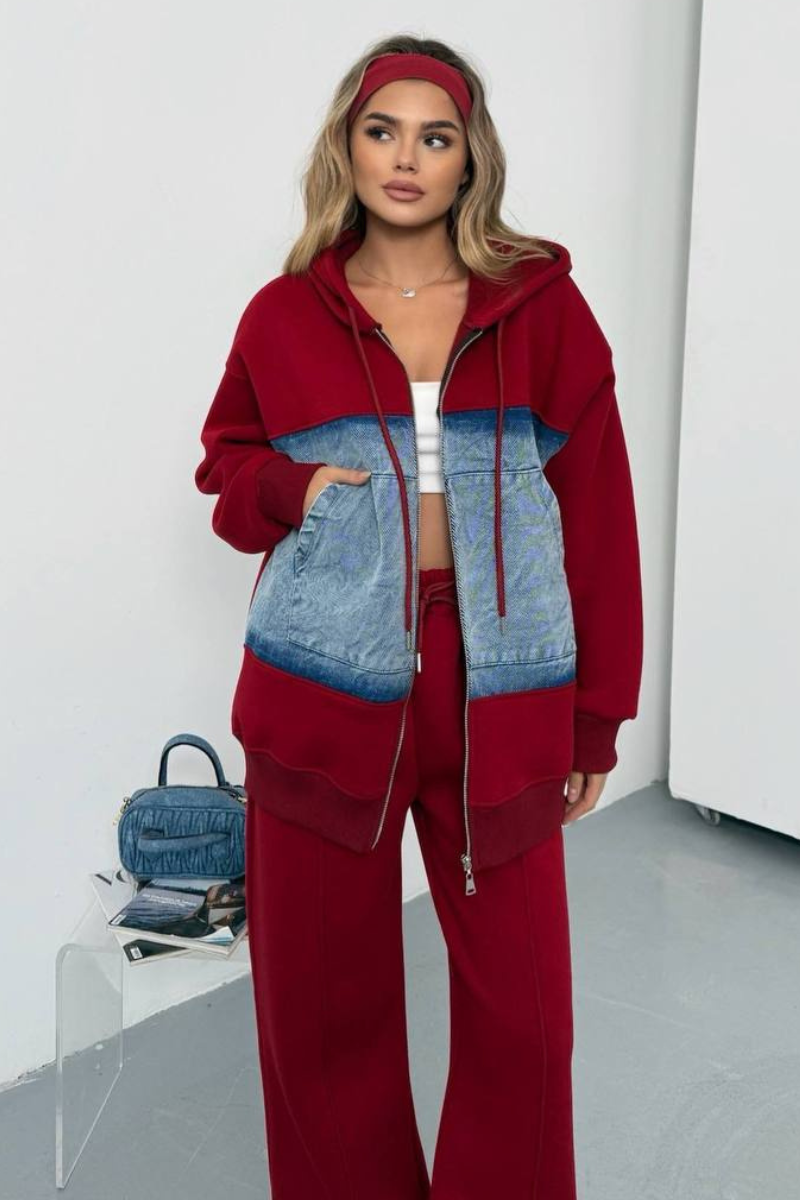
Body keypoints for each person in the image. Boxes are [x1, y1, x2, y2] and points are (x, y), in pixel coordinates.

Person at [194, 33, 643, 1200]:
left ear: (466, 159)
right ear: (346, 148)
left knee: (524, 1024)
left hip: (501, 685)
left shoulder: (540, 310)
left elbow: (599, 516)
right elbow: (226, 473)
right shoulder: (284, 315)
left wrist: (595, 717)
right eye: (381, 131)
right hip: (322, 684)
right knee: (321, 1020)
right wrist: (291, 488)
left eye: (433, 137)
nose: (404, 158)